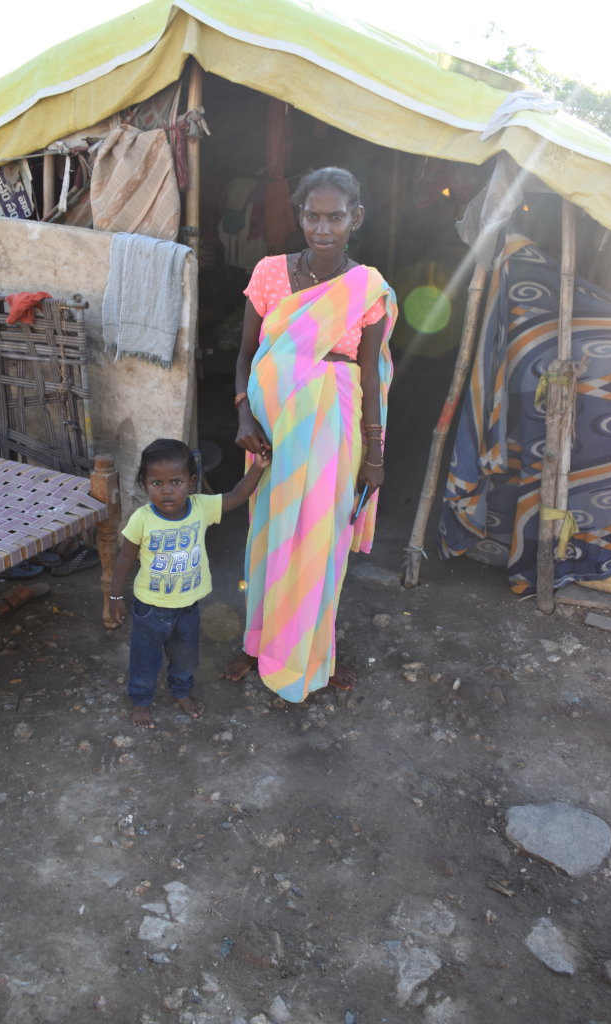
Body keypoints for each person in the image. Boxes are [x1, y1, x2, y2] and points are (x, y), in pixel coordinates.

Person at [224, 166, 398, 703]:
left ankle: (315, 653)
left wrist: (375, 453)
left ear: (355, 218)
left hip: (335, 429)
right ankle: (258, 643)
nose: (323, 228)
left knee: (323, 543)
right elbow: (246, 353)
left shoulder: (367, 289)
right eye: (312, 216)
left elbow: (370, 375)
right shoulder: (270, 273)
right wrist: (244, 417)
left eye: (335, 217)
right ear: (299, 216)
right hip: (272, 429)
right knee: (270, 534)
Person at [109, 438, 270, 728]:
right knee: (144, 660)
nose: (167, 490)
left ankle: (181, 692)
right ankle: (141, 701)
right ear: (144, 485)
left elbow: (237, 495)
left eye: (176, 482)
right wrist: (115, 597)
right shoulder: (141, 519)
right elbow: (124, 559)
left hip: (188, 609)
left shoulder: (201, 508)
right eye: (156, 483)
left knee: (185, 659)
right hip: (149, 610)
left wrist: (258, 467)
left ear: (191, 482)